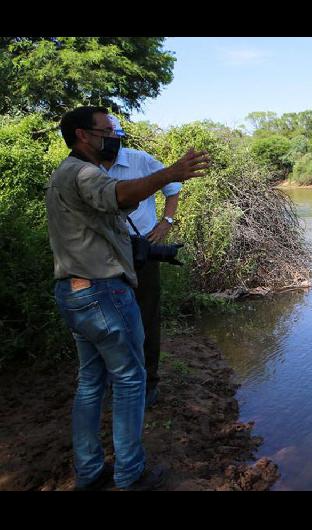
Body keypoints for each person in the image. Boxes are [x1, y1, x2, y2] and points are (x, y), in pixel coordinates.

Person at [45, 106, 209, 490]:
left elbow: (112, 207)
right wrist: (169, 173)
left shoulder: (65, 175)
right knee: (130, 379)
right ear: (83, 136)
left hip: (74, 291)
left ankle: (88, 472)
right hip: (102, 292)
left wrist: (159, 220)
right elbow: (117, 194)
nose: (114, 135)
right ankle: (129, 474)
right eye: (107, 130)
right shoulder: (84, 172)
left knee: (90, 382)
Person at [100, 115, 179, 409]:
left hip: (141, 249)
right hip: (103, 251)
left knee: (145, 315)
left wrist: (166, 222)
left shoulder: (140, 160)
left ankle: (149, 383)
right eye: (104, 134)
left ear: (119, 136)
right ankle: (116, 380)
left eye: (113, 134)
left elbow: (172, 188)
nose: (108, 140)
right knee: (109, 318)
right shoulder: (87, 167)